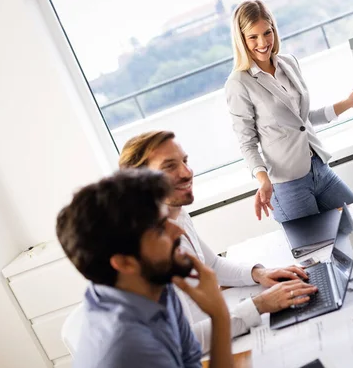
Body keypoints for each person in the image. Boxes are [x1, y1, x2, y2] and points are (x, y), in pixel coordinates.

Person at [119, 130, 318, 351]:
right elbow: (185, 341)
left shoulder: (177, 213)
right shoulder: (146, 254)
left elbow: (212, 264)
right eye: (169, 167)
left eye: (185, 161)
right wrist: (260, 305)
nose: (186, 173)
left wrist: (258, 273)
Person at [55, 169, 233, 368]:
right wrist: (219, 315)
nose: (178, 230)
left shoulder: (154, 284)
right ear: (125, 263)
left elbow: (191, 362)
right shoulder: (130, 349)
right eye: (159, 229)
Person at [225, 0, 353, 223]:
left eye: (267, 33)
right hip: (287, 185)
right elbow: (247, 142)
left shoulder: (289, 63)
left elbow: (304, 119)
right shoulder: (239, 83)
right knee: (316, 254)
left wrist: (350, 102)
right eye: (253, 37)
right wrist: (263, 179)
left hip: (320, 170)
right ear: (242, 40)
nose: (263, 42)